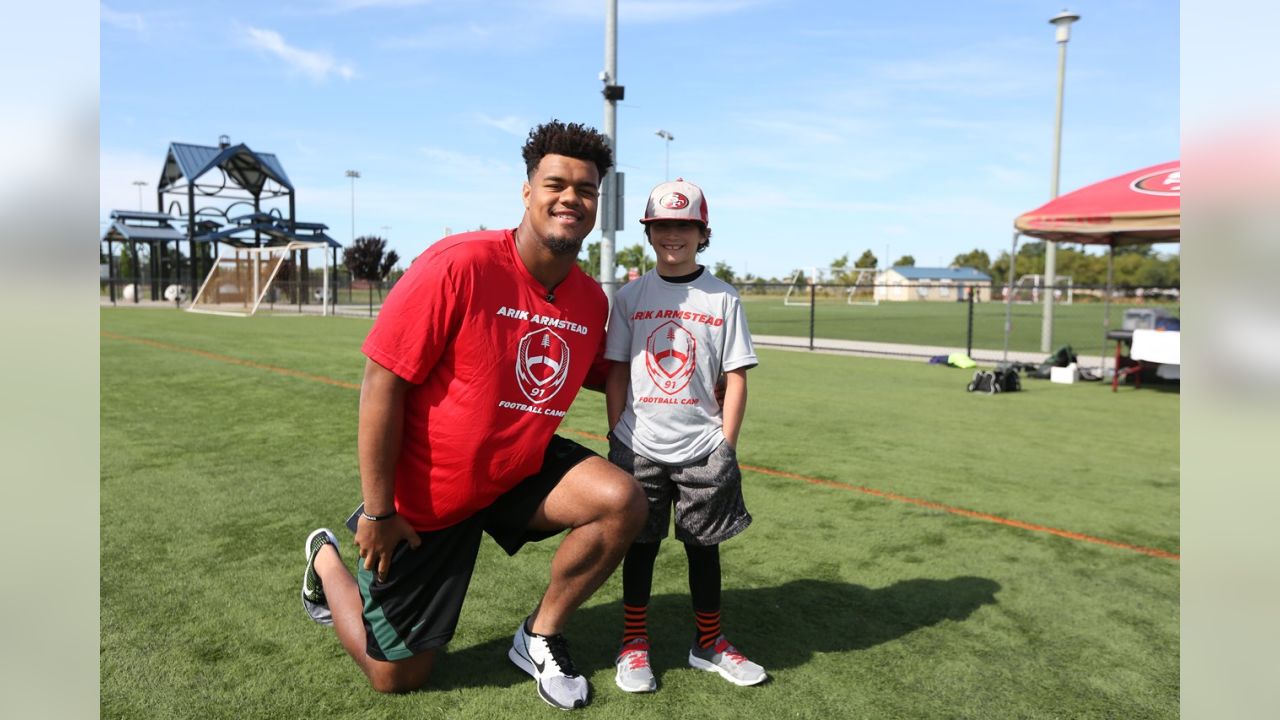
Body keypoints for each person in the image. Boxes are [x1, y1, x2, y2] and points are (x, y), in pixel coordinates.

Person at [299, 120, 647, 710]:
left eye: (585, 190)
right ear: (527, 191)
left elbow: (606, 372)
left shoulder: (590, 301)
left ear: (597, 203)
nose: (570, 198)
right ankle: (325, 557)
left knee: (622, 501)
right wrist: (381, 510)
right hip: (430, 495)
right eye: (555, 183)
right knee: (399, 677)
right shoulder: (458, 263)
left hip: (514, 472)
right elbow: (381, 383)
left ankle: (539, 633)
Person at [603, 178, 767, 692]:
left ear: (702, 232)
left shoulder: (723, 298)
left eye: (684, 225)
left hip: (702, 447)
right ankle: (634, 645)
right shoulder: (631, 296)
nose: (673, 235)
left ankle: (708, 642)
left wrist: (727, 443)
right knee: (641, 547)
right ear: (649, 233)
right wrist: (617, 434)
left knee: (703, 549)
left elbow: (736, 376)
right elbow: (614, 370)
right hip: (640, 445)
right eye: (663, 226)